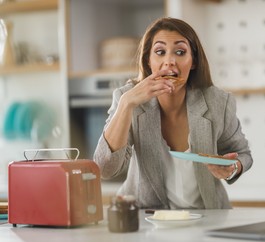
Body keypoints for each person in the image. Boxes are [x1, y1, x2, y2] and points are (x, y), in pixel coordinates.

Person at [93, 17, 253, 209]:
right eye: (160, 52)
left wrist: (233, 167)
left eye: (180, 52)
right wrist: (126, 104)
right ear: (148, 61)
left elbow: (242, 154)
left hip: (207, 218)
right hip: (147, 218)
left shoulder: (217, 102)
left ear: (193, 61)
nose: (169, 61)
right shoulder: (127, 99)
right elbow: (105, 169)